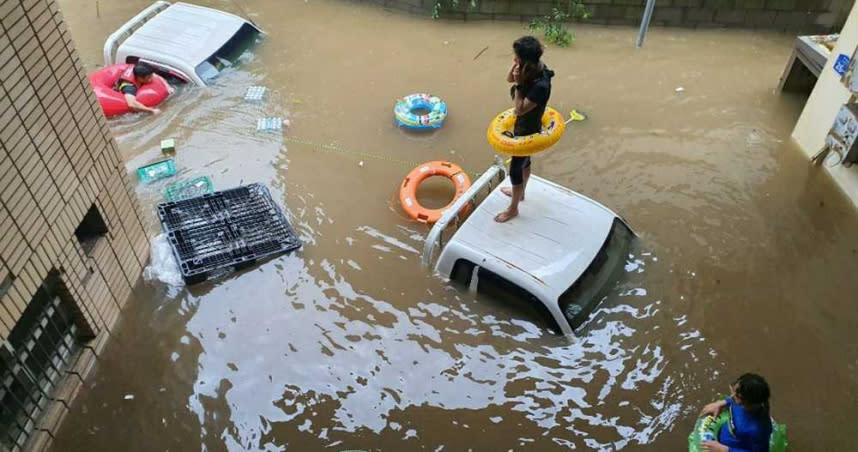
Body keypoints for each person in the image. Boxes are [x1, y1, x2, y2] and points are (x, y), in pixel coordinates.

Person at [496, 36, 555, 223]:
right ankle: (520, 194)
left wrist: (520, 84)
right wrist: (515, 67)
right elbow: (508, 80)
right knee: (525, 163)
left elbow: (519, 109)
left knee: (515, 169)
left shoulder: (541, 85)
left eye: (516, 56)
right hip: (523, 125)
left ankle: (513, 209)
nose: (514, 58)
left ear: (526, 59)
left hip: (528, 129)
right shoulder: (529, 67)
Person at [699, 373, 773, 452]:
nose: (731, 396)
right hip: (728, 434)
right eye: (734, 389)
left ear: (748, 402)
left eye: (737, 396)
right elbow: (733, 399)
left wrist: (725, 449)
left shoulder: (757, 430)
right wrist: (722, 403)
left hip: (735, 447)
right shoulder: (749, 400)